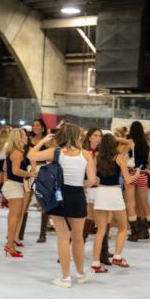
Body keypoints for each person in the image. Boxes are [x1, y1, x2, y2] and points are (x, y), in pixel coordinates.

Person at [28, 123, 97, 288]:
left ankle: (65, 278)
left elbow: (31, 155)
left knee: (63, 237)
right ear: (78, 136)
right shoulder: (86, 154)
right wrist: (82, 185)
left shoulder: (56, 152)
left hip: (58, 196)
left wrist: (43, 140)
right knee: (78, 237)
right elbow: (92, 180)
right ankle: (80, 274)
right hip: (78, 196)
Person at [91, 133, 138, 270]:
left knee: (100, 230)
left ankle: (95, 263)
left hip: (100, 193)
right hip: (115, 193)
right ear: (114, 144)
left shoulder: (97, 158)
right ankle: (117, 256)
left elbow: (93, 179)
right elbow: (128, 180)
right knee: (123, 227)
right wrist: (136, 173)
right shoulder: (120, 158)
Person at [0, 126, 33, 258]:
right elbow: (16, 171)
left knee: (14, 216)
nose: (27, 137)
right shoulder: (18, 152)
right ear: (19, 138)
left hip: (12, 185)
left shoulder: (12, 151)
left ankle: (10, 243)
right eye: (25, 136)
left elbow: (4, 167)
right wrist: (31, 174)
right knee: (15, 216)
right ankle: (9, 245)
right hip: (14, 186)